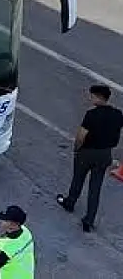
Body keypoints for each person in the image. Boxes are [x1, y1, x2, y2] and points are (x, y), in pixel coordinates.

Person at [57, 84, 123, 232]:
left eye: (92, 96)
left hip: (87, 152)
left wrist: (76, 149)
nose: (90, 98)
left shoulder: (91, 115)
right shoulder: (118, 114)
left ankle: (70, 202)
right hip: (105, 154)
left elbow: (81, 136)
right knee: (96, 187)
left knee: (78, 179)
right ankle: (89, 219)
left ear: (99, 97)